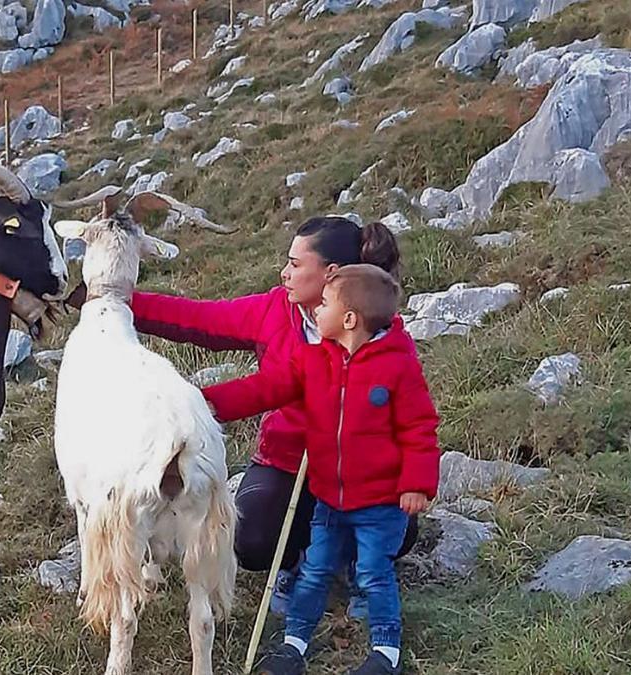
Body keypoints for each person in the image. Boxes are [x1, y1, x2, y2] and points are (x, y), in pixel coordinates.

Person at [122, 216, 419, 614]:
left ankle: (357, 565)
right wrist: (119, 301)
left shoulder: (383, 336)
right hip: (288, 462)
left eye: (296, 264)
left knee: (400, 529)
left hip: (364, 470)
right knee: (251, 538)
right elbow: (200, 321)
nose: (285, 273)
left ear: (330, 274)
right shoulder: (276, 309)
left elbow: (414, 421)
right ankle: (295, 561)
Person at [202, 264, 440, 675]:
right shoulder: (313, 360)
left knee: (374, 572)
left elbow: (420, 427)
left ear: (349, 320)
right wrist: (202, 403)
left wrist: (417, 483)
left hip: (381, 503)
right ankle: (294, 642)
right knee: (313, 570)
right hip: (329, 497)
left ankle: (386, 651)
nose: (314, 311)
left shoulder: (397, 366)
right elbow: (265, 388)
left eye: (324, 304)